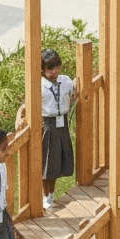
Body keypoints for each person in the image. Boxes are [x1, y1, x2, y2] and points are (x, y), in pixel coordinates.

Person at [39, 48, 74, 209]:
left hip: (62, 123)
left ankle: (51, 195)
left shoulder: (65, 81)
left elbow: (72, 95)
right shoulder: (39, 85)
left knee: (59, 159)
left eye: (57, 67)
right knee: (47, 162)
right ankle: (45, 196)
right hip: (48, 124)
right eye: (50, 68)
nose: (54, 71)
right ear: (42, 70)